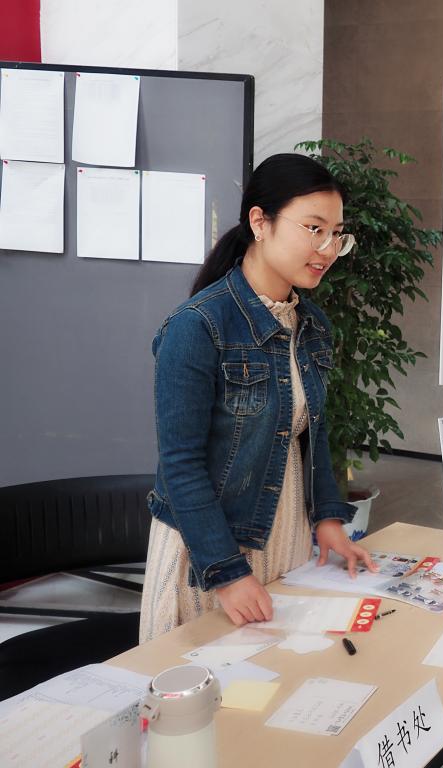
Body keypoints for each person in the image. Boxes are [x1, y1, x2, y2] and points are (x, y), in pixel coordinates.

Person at [140, 153, 377, 642]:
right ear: (259, 222)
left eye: (337, 234)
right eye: (314, 229)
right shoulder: (197, 327)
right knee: (203, 675)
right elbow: (180, 465)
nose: (328, 249)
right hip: (208, 552)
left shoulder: (312, 325)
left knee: (275, 675)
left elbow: (312, 433)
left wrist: (327, 518)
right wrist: (228, 573)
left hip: (284, 535)